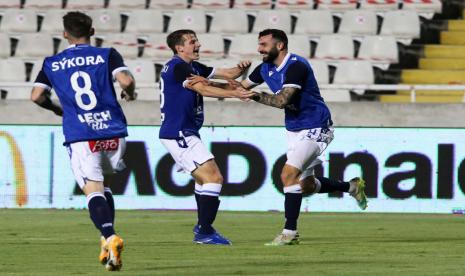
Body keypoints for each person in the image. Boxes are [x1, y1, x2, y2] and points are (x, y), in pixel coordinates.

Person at [239, 29, 368, 246]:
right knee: (306, 186)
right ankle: (352, 187)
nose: (259, 48)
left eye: (263, 44)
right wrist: (205, 85)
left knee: (287, 174)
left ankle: (289, 233)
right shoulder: (264, 68)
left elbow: (281, 101)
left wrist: (253, 95)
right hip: (294, 128)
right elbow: (240, 87)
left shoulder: (296, 66)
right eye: (258, 44)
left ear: (279, 46)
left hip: (316, 124)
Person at [30, 11, 136, 270]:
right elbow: (126, 80)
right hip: (113, 131)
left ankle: (110, 236)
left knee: (92, 188)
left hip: (81, 134)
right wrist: (129, 92)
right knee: (105, 185)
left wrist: (57, 109)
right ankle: (105, 240)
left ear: (65, 34)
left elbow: (36, 96)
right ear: (92, 31)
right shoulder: (107, 55)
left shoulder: (51, 63)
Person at [159, 29, 253, 245]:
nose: (198, 45)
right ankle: (205, 231)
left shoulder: (193, 67)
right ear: (179, 47)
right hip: (179, 132)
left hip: (184, 131)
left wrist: (239, 70)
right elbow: (202, 88)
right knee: (214, 178)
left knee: (204, 179)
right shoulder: (177, 66)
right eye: (192, 42)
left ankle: (203, 226)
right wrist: (234, 94)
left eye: (197, 41)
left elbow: (228, 75)